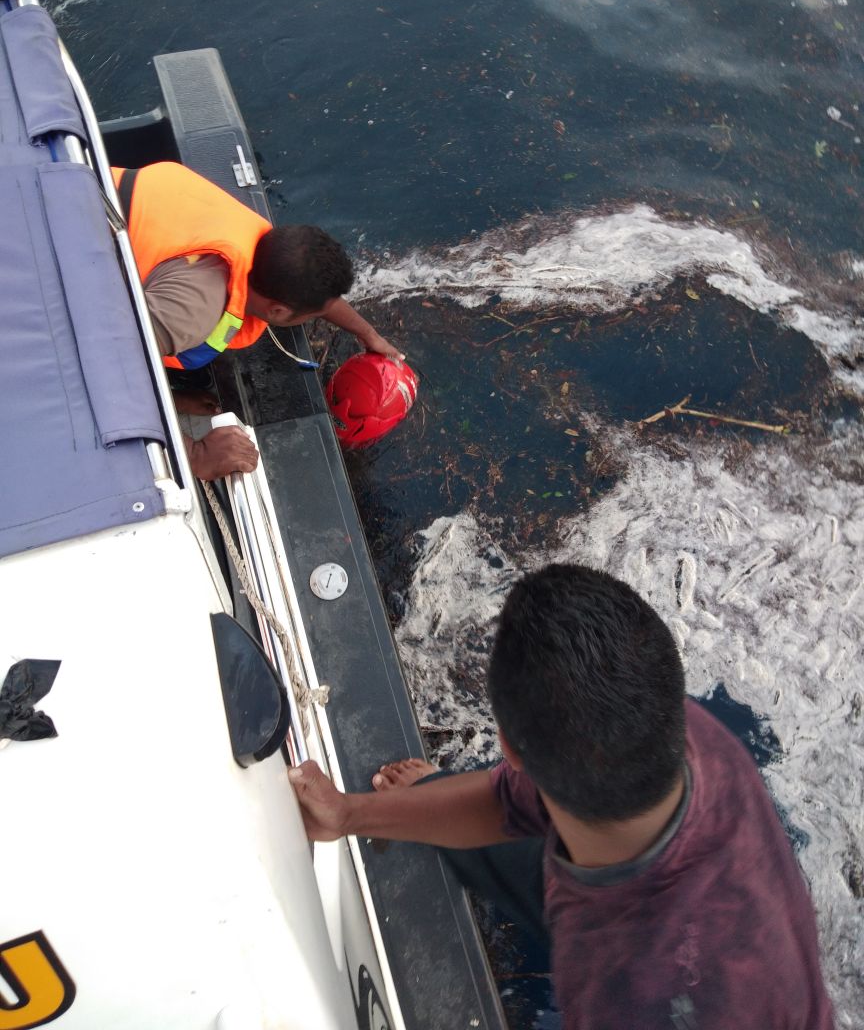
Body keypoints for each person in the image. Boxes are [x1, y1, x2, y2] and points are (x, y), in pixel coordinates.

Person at [288, 564, 835, 1029]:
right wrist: (347, 813)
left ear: (509, 748)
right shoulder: (679, 724)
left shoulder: (621, 996)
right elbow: (504, 800)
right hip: (627, 865)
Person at [114, 161, 403, 479]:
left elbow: (322, 297)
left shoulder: (258, 241)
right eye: (310, 314)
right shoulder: (197, 309)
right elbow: (111, 370)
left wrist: (368, 334)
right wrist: (196, 454)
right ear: (278, 311)